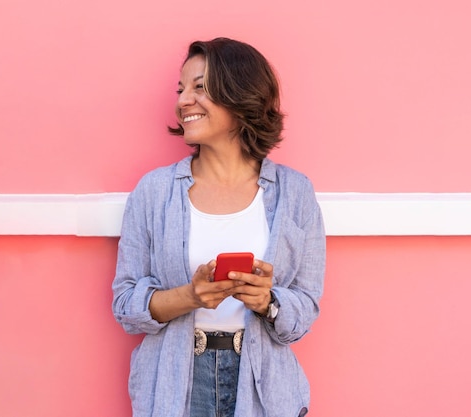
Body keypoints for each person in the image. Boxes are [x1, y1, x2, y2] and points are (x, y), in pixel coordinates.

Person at [112, 37, 326, 417]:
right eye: (181, 89)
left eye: (200, 88)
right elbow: (126, 306)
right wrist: (191, 295)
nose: (182, 101)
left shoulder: (295, 193)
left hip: (264, 388)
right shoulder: (154, 191)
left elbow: (305, 308)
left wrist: (267, 301)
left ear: (239, 95)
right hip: (176, 385)